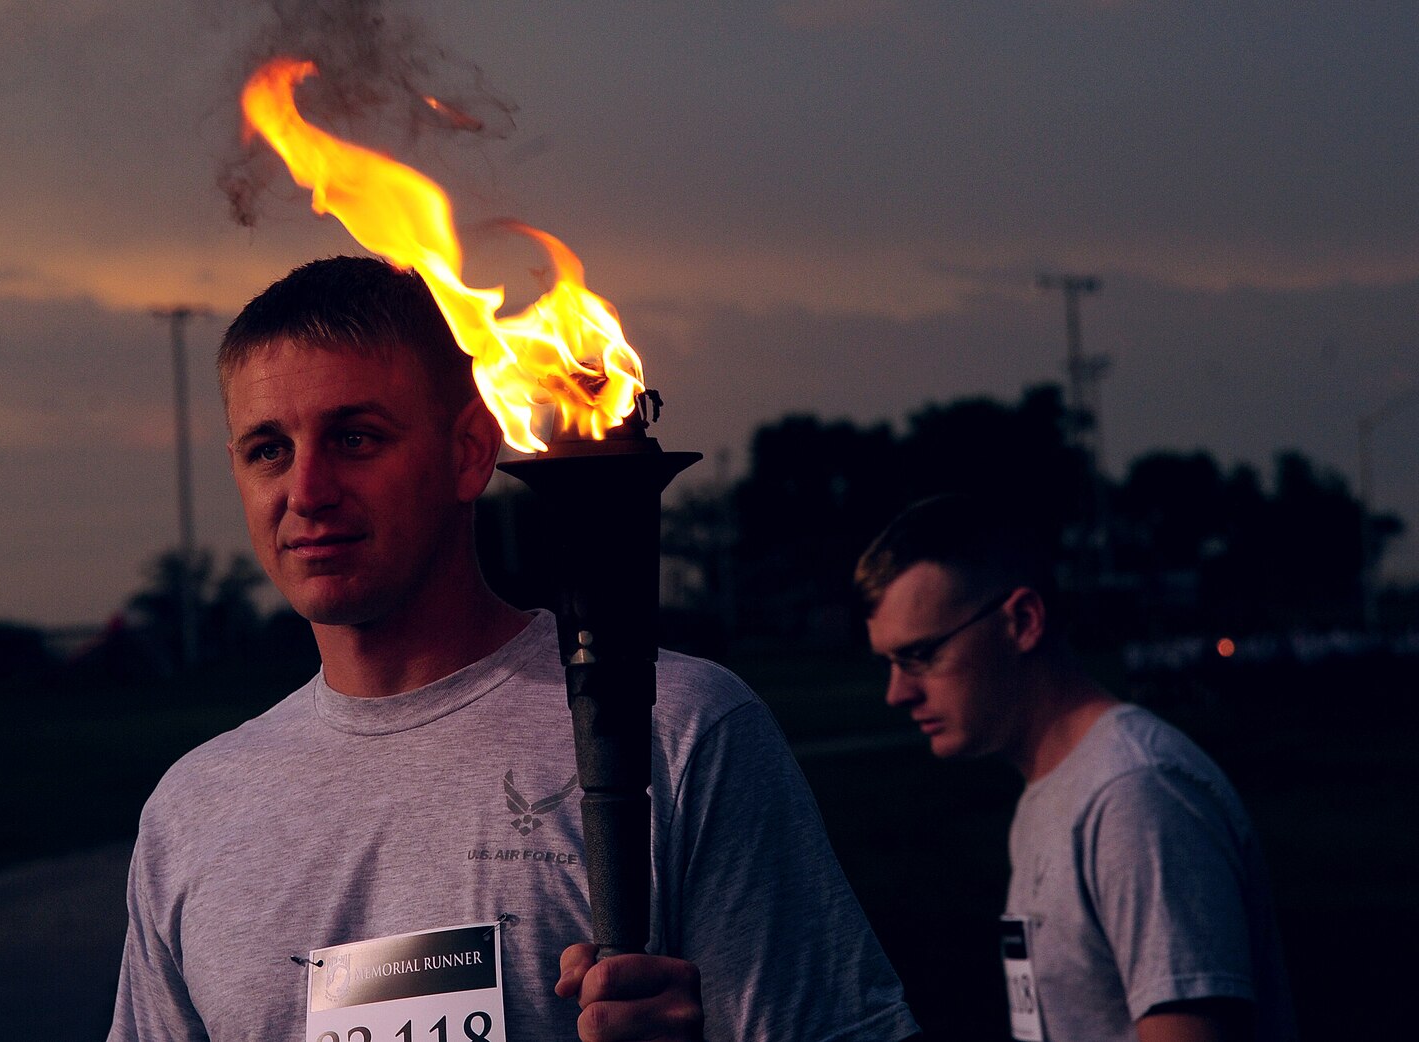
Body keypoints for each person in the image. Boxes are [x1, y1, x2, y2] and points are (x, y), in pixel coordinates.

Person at [108, 256, 919, 1042]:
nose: (308, 491)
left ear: (469, 452)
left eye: (356, 438)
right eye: (268, 450)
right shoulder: (192, 812)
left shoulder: (681, 729)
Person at [855, 494, 1296, 1042]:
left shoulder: (1134, 796)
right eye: (889, 663)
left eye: (921, 656)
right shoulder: (1058, 794)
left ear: (1022, 620)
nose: (897, 692)